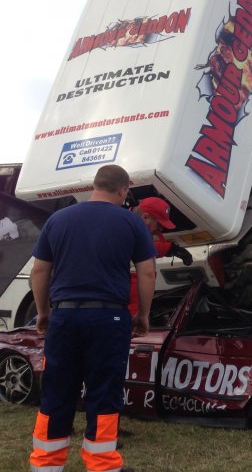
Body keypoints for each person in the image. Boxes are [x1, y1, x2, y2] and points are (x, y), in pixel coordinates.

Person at [29, 164, 156, 472]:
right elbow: (148, 271)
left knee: (57, 389)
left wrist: (44, 312)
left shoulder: (57, 220)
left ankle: (46, 465)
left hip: (64, 316)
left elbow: (40, 270)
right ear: (124, 190)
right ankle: (101, 464)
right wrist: (143, 315)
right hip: (109, 319)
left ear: (94, 185)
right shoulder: (131, 221)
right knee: (103, 390)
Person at [128, 196, 193, 316]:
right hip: (117, 307)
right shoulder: (125, 229)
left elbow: (140, 249)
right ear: (145, 217)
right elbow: (139, 250)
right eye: (158, 224)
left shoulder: (131, 227)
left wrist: (171, 249)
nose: (161, 229)